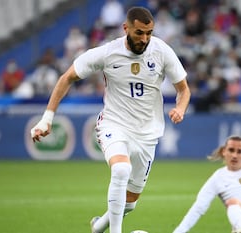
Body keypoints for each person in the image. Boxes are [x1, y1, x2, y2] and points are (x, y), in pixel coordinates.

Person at [30, 6, 191, 233]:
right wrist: (47, 118)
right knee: (121, 170)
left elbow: (184, 89)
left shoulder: (162, 51)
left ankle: (99, 226)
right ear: (126, 28)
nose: (144, 39)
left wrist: (180, 108)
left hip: (147, 134)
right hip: (114, 124)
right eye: (139, 33)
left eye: (149, 33)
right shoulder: (107, 53)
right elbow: (67, 77)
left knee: (130, 203)